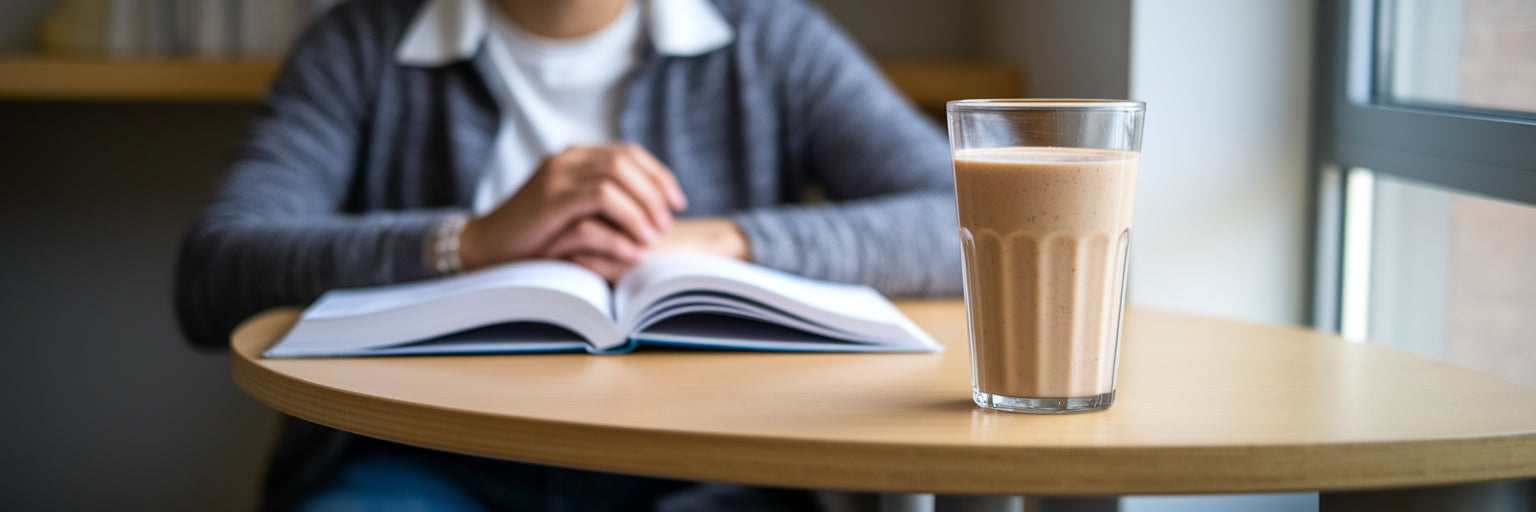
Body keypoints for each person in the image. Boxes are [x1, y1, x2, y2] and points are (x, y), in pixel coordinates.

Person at [175, 0, 960, 509]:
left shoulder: (765, 36)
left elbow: (959, 220)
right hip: (430, 461)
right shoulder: (364, 42)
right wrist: (470, 241)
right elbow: (216, 273)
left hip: (711, 467)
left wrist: (733, 242)